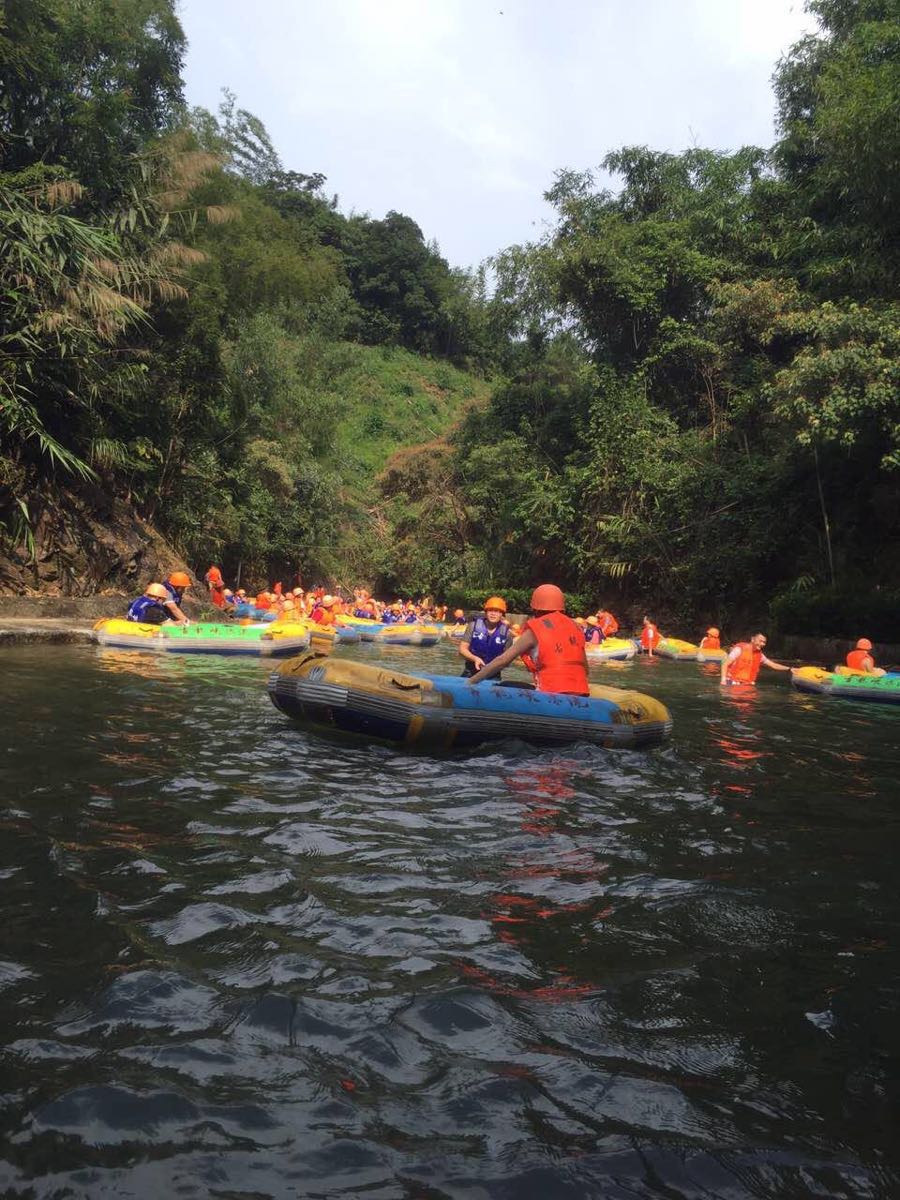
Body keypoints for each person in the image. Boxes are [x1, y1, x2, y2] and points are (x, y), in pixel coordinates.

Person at [468, 584, 590, 695]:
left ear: (535, 608)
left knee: (506, 685)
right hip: (583, 692)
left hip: (551, 693)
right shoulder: (576, 627)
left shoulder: (535, 629)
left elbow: (503, 660)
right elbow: (586, 669)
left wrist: (470, 683)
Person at [459, 596, 514, 679]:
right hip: (470, 672)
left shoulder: (507, 635)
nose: (493, 614)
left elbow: (507, 661)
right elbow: (462, 649)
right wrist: (475, 659)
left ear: (502, 614)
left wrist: (494, 665)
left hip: (493, 675)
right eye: (490, 610)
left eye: (497, 611)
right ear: (486, 612)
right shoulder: (473, 626)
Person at [720, 632, 791, 686]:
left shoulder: (760, 655)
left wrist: (790, 669)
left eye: (764, 642)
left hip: (747, 685)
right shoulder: (739, 649)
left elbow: (773, 665)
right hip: (732, 683)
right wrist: (723, 680)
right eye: (760, 641)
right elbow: (725, 664)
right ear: (752, 639)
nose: (763, 644)